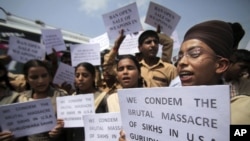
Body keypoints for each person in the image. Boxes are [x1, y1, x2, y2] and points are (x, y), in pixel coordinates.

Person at [119, 20, 250, 141]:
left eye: (194, 54)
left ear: (220, 65)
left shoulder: (243, 111)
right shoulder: (164, 110)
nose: (181, 62)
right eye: (180, 56)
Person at [17, 59, 68, 141]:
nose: (40, 81)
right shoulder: (22, 98)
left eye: (44, 76)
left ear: (50, 77)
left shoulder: (61, 95)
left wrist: (60, 129)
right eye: (34, 77)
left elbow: (72, 125)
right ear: (26, 79)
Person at [63, 62, 108, 141]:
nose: (80, 78)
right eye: (77, 76)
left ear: (93, 77)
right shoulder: (72, 98)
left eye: (85, 75)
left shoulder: (104, 98)